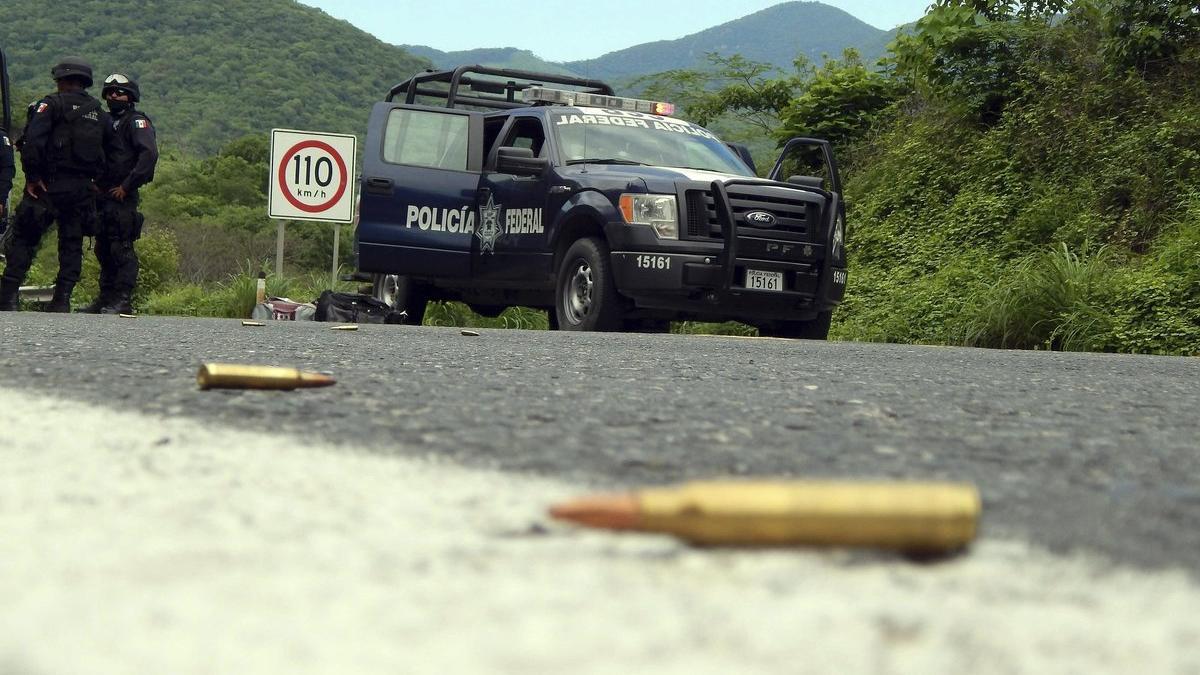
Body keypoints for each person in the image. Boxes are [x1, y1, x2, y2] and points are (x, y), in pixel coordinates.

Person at [0, 57, 109, 312]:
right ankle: (62, 299)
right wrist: (95, 183)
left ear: (60, 81)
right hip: (81, 190)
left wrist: (33, 178)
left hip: (47, 187)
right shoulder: (100, 114)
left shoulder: (49, 105)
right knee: (71, 244)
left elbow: (33, 144)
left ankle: (7, 297)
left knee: (24, 239)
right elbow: (111, 155)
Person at [83, 73, 158, 314]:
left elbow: (148, 155)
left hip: (123, 195)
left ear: (131, 96)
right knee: (102, 247)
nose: (114, 95)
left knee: (121, 247)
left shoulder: (137, 122)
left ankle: (123, 300)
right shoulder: (103, 121)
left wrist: (127, 186)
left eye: (120, 92)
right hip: (101, 195)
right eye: (110, 91)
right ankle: (105, 298)